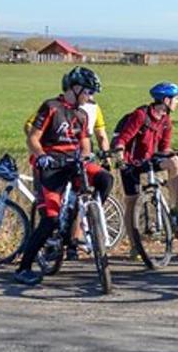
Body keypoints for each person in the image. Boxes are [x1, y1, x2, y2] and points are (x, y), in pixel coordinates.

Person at [14, 67, 113, 285]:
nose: (91, 97)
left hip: (73, 163)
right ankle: (23, 267)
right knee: (50, 218)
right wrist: (40, 155)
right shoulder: (51, 107)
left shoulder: (82, 114)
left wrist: (87, 158)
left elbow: (85, 142)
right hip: (50, 167)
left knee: (105, 179)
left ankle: (88, 217)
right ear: (75, 88)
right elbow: (33, 138)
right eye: (88, 92)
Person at [115, 81, 178, 259]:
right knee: (132, 202)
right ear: (166, 100)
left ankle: (175, 208)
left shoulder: (166, 121)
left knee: (175, 162)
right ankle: (134, 246)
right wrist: (120, 157)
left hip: (150, 160)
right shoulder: (140, 115)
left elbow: (164, 148)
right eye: (176, 99)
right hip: (131, 163)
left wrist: (175, 153)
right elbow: (123, 138)